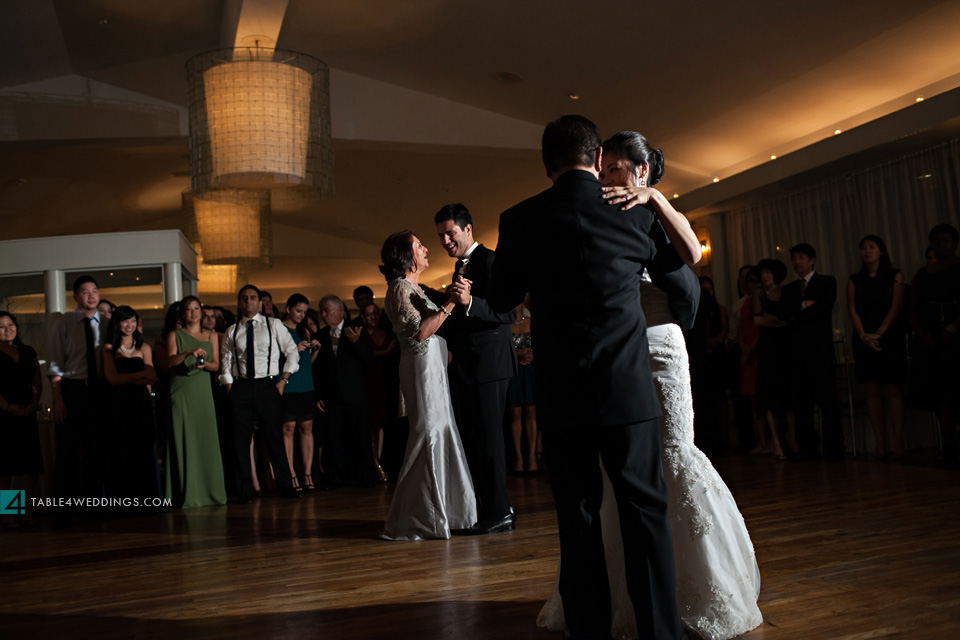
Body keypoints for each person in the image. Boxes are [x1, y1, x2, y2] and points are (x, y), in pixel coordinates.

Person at [538, 129, 761, 639]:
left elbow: (692, 261)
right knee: (625, 471)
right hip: (619, 354)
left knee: (674, 453)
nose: (609, 177)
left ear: (640, 171)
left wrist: (656, 199)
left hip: (661, 346)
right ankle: (623, 594)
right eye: (605, 167)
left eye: (618, 169)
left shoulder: (650, 214)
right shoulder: (599, 219)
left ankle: (696, 584)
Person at [489, 116, 699, 640]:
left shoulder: (519, 220)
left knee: (578, 519)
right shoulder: (632, 212)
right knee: (645, 515)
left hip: (561, 394)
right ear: (600, 155)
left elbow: (499, 300)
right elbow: (685, 273)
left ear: (545, 164)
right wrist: (652, 200)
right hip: (628, 389)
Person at [378, 230, 477, 540]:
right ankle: (420, 517)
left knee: (441, 430)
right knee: (428, 433)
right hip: (420, 370)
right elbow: (418, 333)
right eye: (419, 246)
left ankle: (446, 512)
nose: (425, 249)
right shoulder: (398, 289)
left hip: (432, 370)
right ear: (406, 256)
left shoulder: (415, 288)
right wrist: (449, 304)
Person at [435, 202, 517, 535]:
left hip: (491, 365)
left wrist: (471, 303)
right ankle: (496, 507)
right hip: (470, 366)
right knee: (477, 439)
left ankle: (499, 512)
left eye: (450, 233)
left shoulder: (492, 260)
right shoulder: (460, 267)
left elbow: (508, 314)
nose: (445, 240)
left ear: (468, 229)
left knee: (490, 441)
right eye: (440, 235)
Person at [221, 285, 303, 502]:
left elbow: (292, 351)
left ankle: (285, 486)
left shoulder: (273, 324)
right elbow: (226, 361)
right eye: (244, 298)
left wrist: (284, 379)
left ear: (260, 303)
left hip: (268, 385)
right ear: (240, 303)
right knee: (240, 440)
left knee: (274, 438)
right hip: (242, 387)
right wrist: (230, 386)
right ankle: (244, 490)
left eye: (252, 298)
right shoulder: (232, 330)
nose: (248, 301)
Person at [47, 275, 107, 526]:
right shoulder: (64, 323)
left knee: (96, 452)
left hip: (99, 390)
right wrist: (58, 401)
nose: (91, 295)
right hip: (72, 390)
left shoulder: (106, 323)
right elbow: (55, 365)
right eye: (85, 291)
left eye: (95, 291)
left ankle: (93, 509)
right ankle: (63, 512)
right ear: (75, 296)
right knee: (67, 453)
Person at [781, 243, 843, 460]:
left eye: (801, 257)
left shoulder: (826, 282)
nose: (797, 262)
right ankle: (808, 450)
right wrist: (805, 306)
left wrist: (800, 311)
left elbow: (824, 308)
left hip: (821, 351)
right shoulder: (788, 289)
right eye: (794, 258)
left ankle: (834, 450)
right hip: (797, 354)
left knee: (828, 401)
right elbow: (786, 314)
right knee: (802, 404)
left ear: (812, 259)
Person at [847, 235, 906, 459]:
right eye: (863, 248)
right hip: (863, 337)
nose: (867, 251)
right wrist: (864, 336)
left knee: (893, 387)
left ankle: (898, 440)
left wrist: (879, 333)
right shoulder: (855, 279)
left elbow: (896, 306)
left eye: (872, 247)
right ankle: (879, 442)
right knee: (871, 388)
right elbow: (853, 309)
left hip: (889, 336)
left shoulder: (894, 275)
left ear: (881, 251)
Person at [165, 296, 226, 508]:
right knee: (185, 438)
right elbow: (170, 361)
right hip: (182, 391)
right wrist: (188, 353)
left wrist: (205, 364)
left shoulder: (212, 335)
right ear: (182, 313)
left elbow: (216, 365)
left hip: (203, 391)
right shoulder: (175, 335)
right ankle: (186, 493)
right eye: (189, 309)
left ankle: (211, 491)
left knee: (206, 438)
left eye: (196, 308)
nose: (194, 312)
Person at [908, 223, 960, 459]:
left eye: (946, 240)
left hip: (956, 335)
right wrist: (922, 333)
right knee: (941, 392)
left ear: (955, 243)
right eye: (936, 241)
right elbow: (913, 307)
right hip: (931, 338)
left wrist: (951, 328)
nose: (940, 245)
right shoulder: (923, 273)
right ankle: (948, 443)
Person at [314, 295, 377, 488]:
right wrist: (317, 396)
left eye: (327, 310)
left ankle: (365, 476)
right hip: (331, 396)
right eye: (321, 311)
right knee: (333, 439)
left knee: (361, 437)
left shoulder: (356, 330)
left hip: (355, 393)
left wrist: (357, 342)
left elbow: (369, 360)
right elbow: (316, 371)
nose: (323, 315)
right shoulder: (320, 336)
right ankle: (334, 477)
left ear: (340, 310)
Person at [102, 305, 161, 510]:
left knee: (142, 448)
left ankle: (146, 501)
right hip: (119, 405)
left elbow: (153, 377)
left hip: (141, 404)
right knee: (122, 450)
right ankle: (123, 503)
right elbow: (112, 379)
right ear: (117, 323)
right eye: (125, 320)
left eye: (133, 320)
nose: (130, 325)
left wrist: (128, 378)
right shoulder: (109, 348)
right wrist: (139, 375)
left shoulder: (143, 347)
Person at [0, 312, 43, 529]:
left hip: (27, 411)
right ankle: (8, 517)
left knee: (29, 466)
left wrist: (33, 404)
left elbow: (36, 379)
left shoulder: (27, 351)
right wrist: (7, 407)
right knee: (6, 469)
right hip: (3, 414)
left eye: (10, 324)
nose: (7, 329)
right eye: (1, 326)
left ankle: (25, 513)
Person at [752, 259, 793, 460]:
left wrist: (773, 319)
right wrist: (779, 322)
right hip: (767, 347)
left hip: (785, 347)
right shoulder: (758, 294)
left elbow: (791, 318)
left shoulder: (786, 292)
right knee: (766, 394)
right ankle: (775, 441)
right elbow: (758, 319)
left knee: (784, 393)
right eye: (763, 273)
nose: (765, 276)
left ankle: (788, 441)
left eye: (768, 272)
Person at [280, 294, 321, 492]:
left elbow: (305, 365)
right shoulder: (279, 329)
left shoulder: (304, 330)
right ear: (288, 309)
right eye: (298, 311)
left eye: (304, 312)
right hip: (287, 384)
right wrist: (294, 349)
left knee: (307, 428)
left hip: (306, 384)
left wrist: (314, 351)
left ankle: (307, 474)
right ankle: (291, 475)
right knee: (288, 428)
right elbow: (277, 360)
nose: (301, 315)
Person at [361, 302, 398, 482]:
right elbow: (363, 356)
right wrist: (384, 351)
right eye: (369, 314)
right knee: (370, 425)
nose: (373, 317)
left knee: (382, 424)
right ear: (363, 316)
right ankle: (374, 463)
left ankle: (380, 462)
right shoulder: (360, 335)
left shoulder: (387, 333)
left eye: (375, 313)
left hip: (384, 382)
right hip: (367, 383)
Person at [507, 299, 537, 474]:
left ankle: (532, 456)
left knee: (531, 411)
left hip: (530, 369)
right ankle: (518, 457)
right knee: (515, 412)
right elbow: (502, 347)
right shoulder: (505, 321)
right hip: (513, 368)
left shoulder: (531, 319)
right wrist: (517, 355)